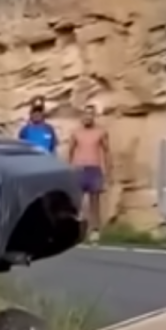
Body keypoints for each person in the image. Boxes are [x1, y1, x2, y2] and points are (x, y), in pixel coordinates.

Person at [68, 104, 112, 243]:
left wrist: (108, 171)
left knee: (94, 202)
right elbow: (70, 151)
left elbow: (106, 151)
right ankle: (76, 232)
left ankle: (95, 231)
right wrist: (69, 168)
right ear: (82, 116)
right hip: (79, 168)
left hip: (94, 168)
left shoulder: (101, 132)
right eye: (85, 114)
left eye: (90, 114)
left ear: (94, 116)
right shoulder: (76, 132)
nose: (88, 117)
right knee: (78, 202)